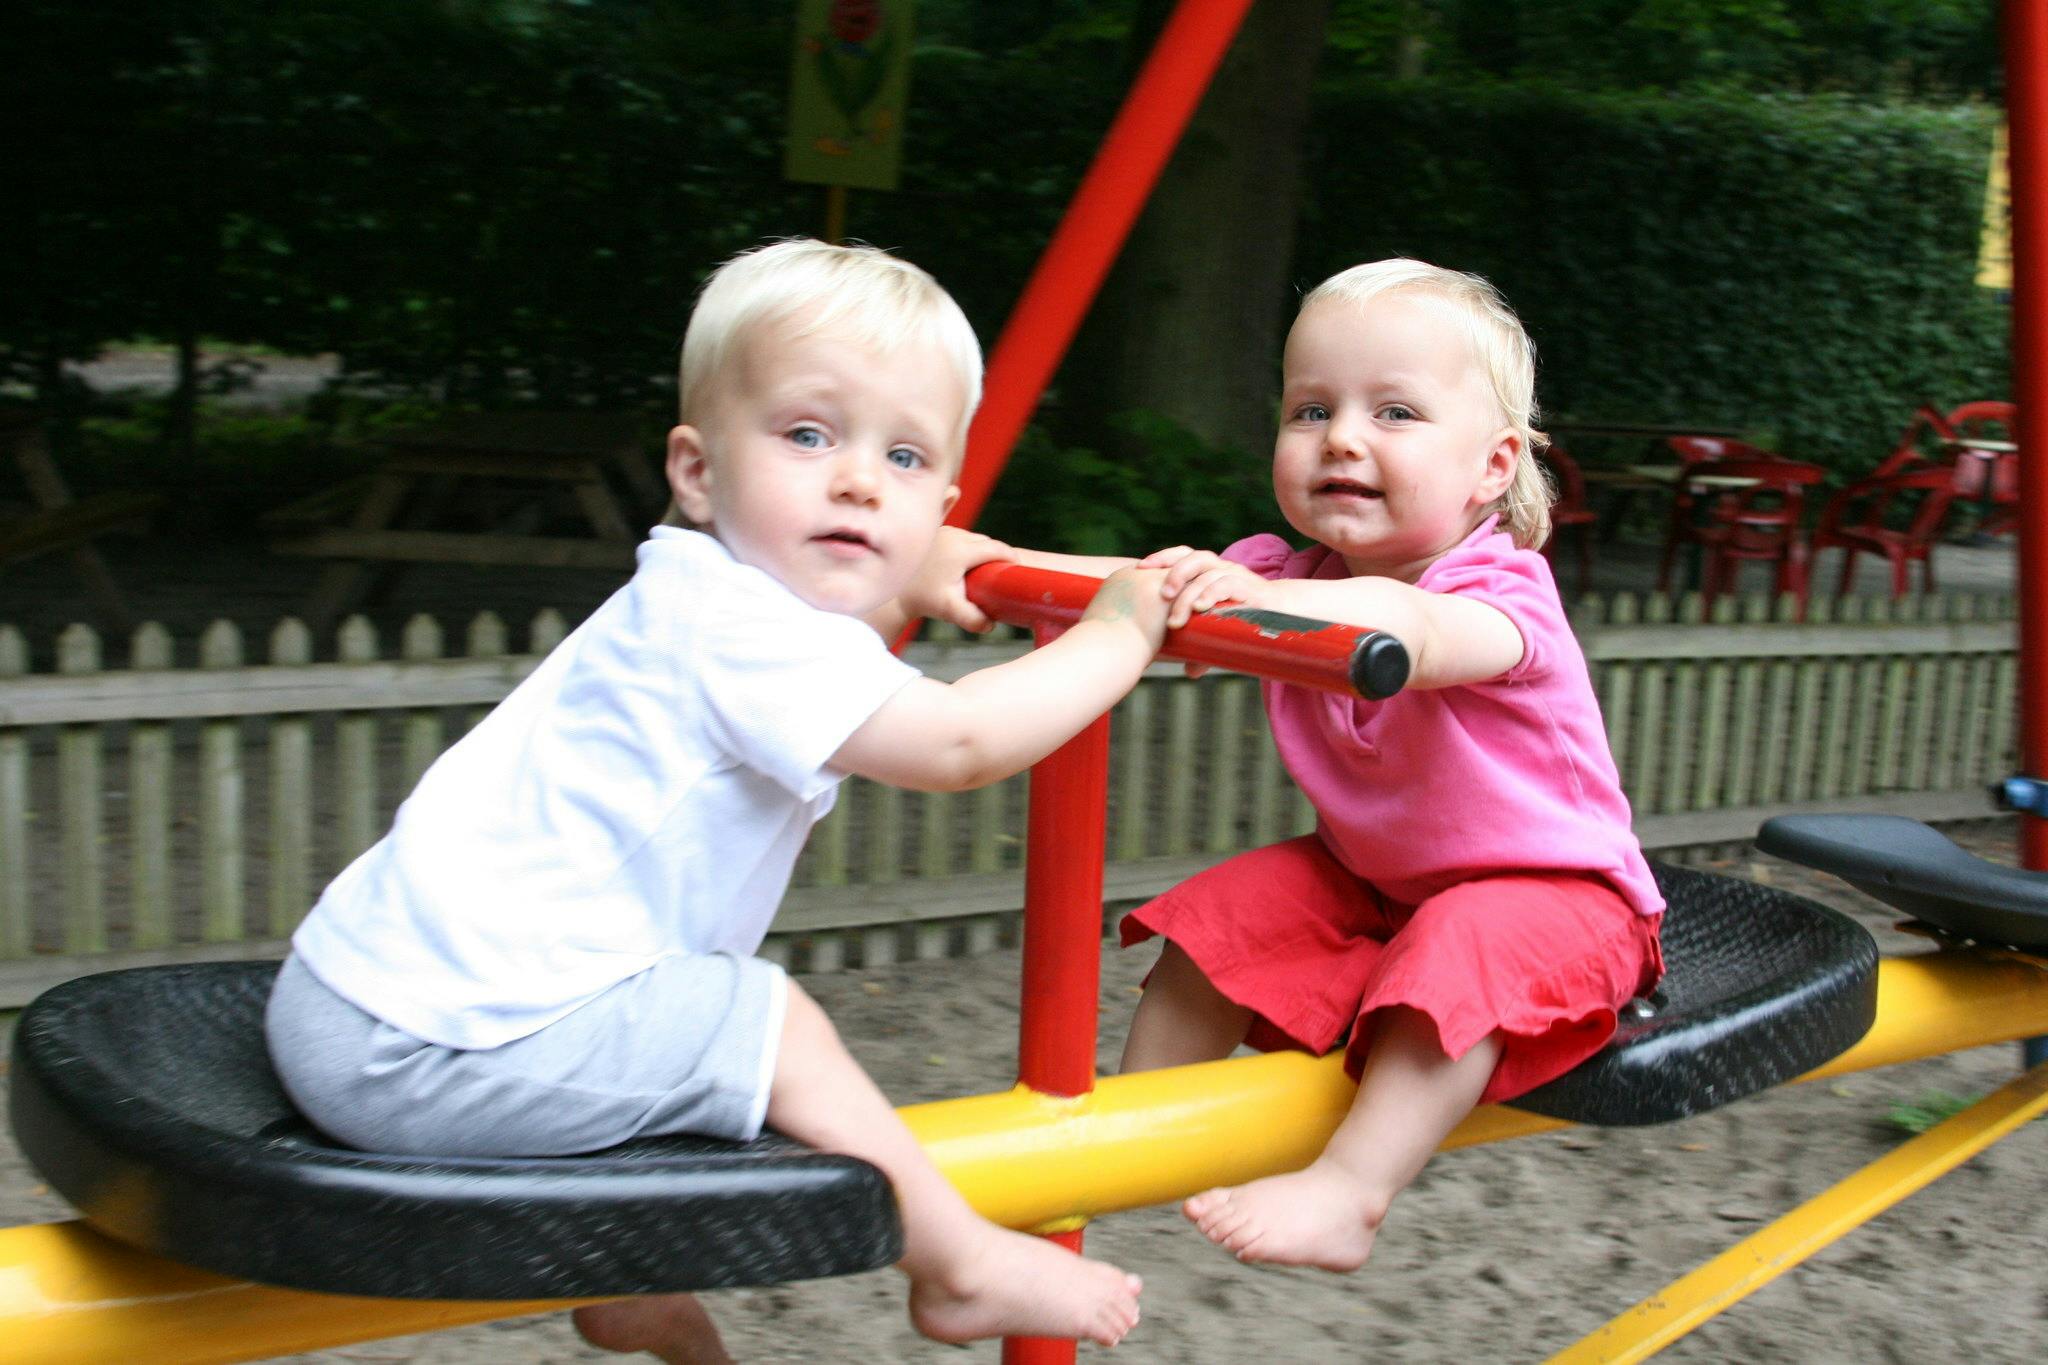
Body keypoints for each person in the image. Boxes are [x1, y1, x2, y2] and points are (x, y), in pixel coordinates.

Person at [264, 239, 1161, 1360]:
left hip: (359, 1001)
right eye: (805, 435)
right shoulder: (744, 634)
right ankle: (957, 1267)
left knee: (676, 1019)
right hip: (424, 1052)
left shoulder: (693, 592)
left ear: (939, 497)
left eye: (901, 456)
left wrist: (922, 564)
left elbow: (849, 583)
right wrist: (1120, 637)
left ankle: (632, 1278)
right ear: (695, 471)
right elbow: (961, 740)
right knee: (759, 1024)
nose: (854, 481)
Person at [1065, 258, 1666, 1274]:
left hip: (1562, 903)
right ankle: (1119, 1139)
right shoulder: (1281, 573)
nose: (1340, 436)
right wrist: (971, 558)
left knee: (1465, 940)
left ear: (1489, 467)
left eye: (1393, 412)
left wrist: (1237, 602)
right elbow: (1131, 588)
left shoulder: (1502, 595)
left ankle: (1351, 1191)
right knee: (1212, 919)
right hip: (1376, 884)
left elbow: (1409, 630)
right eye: (1309, 410)